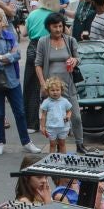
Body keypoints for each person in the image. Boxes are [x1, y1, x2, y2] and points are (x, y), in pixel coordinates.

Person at [0, 9, 38, 156]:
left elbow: (17, 55)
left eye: (0, 21)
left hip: (13, 80)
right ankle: (0, 142)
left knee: (20, 112)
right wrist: (7, 57)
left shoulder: (10, 36)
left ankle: (26, 142)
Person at [33, 14, 85, 153]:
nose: (58, 29)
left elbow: (78, 58)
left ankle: (80, 144)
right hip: (51, 88)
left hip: (67, 85)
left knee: (76, 117)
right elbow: (37, 64)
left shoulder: (70, 40)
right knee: (53, 118)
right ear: (49, 27)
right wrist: (43, 83)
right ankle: (55, 146)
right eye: (55, 26)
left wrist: (74, 60)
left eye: (60, 26)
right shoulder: (43, 42)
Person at [40, 79, 73, 153]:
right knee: (52, 144)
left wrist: (68, 116)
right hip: (51, 127)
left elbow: (69, 111)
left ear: (61, 90)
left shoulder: (64, 101)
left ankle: (63, 159)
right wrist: (43, 127)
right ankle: (51, 159)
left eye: (57, 90)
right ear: (48, 91)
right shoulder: (46, 102)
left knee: (62, 144)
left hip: (63, 127)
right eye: (52, 90)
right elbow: (43, 115)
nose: (55, 92)